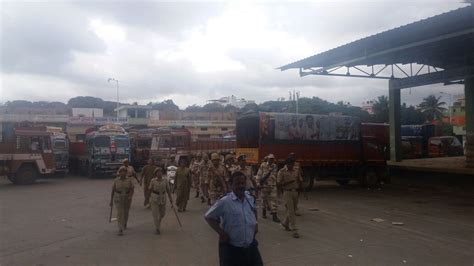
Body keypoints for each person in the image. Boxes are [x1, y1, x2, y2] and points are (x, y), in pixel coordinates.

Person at [205, 171, 263, 266]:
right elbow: (208, 217)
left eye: (243, 183)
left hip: (250, 245)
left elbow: (254, 210)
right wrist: (221, 233)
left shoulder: (250, 198)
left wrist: (255, 223)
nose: (241, 186)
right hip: (233, 248)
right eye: (237, 183)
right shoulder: (225, 201)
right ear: (231, 185)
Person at [277, 156, 303, 238]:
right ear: (286, 164)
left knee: (293, 209)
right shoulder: (281, 172)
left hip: (295, 192)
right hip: (287, 192)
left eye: (292, 164)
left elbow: (299, 180)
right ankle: (294, 230)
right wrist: (288, 182)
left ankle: (285, 223)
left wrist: (300, 189)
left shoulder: (296, 170)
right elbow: (279, 184)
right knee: (291, 211)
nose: (291, 166)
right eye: (290, 164)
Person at [110, 166, 135, 236]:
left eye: (124, 172)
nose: (123, 173)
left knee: (126, 212)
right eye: (121, 172)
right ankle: (120, 229)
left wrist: (130, 196)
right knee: (120, 213)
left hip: (127, 197)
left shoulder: (129, 180)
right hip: (118, 197)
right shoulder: (116, 180)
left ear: (126, 173)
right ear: (119, 173)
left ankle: (124, 222)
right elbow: (113, 190)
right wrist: (111, 201)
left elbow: (132, 189)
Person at [149, 167, 173, 234]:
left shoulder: (165, 180)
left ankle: (158, 223)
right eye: (157, 172)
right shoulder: (153, 181)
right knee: (155, 214)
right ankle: (157, 228)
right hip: (154, 198)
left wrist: (170, 198)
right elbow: (150, 190)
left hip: (163, 197)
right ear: (155, 174)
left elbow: (168, 190)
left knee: (162, 214)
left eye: (160, 172)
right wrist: (148, 199)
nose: (159, 173)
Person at [256, 154, 280, 222]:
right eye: (270, 159)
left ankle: (274, 216)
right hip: (264, 186)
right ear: (268, 159)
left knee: (274, 200)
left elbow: (275, 176)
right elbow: (259, 174)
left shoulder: (274, 166)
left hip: (272, 185)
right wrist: (258, 183)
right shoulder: (263, 165)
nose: (271, 160)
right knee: (264, 200)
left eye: (272, 159)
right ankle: (264, 212)